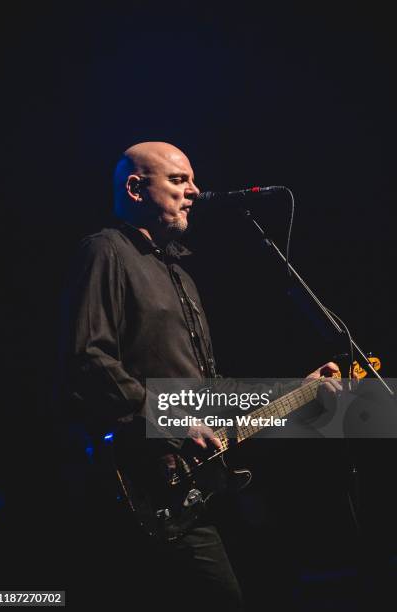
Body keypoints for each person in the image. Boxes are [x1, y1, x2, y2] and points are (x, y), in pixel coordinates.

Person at [57, 141, 341, 610]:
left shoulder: (180, 275)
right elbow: (87, 358)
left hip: (194, 491)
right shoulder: (105, 252)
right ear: (134, 188)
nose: (194, 191)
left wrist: (300, 390)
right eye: (178, 180)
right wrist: (174, 421)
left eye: (192, 180)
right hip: (139, 484)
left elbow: (207, 394)